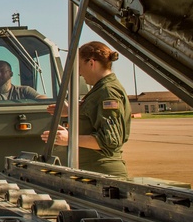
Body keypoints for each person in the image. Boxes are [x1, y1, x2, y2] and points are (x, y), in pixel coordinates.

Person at [41, 41, 130, 177]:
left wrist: (70, 139)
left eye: (80, 67)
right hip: (94, 172)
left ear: (91, 63)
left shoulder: (108, 92)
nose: (80, 73)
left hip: (102, 174)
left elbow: (110, 140)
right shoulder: (100, 90)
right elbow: (94, 115)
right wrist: (72, 111)